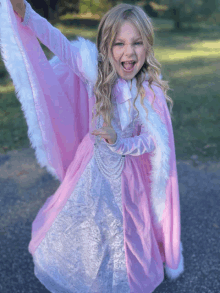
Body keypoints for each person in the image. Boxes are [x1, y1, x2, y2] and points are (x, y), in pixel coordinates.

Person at [0, 0, 184, 292]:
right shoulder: (95, 74)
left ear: (147, 47)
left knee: (127, 231)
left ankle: (128, 277)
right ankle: (89, 276)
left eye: (137, 43)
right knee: (89, 224)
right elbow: (58, 43)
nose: (128, 52)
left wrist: (122, 142)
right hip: (90, 170)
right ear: (107, 47)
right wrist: (28, 16)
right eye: (119, 44)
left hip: (128, 180)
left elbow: (154, 140)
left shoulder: (148, 90)